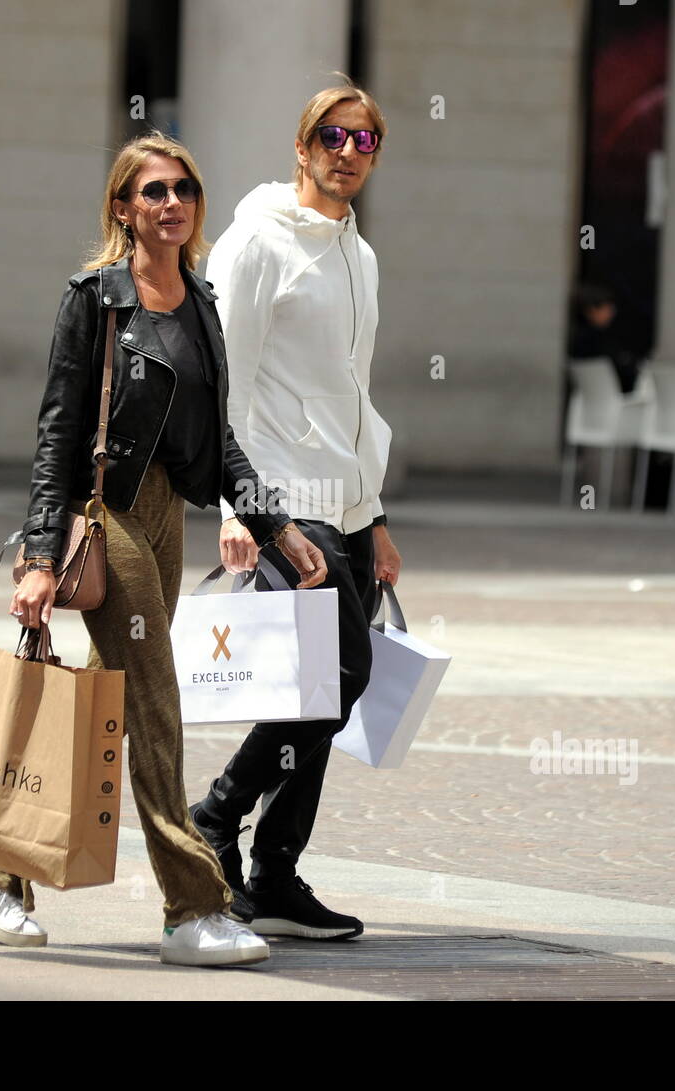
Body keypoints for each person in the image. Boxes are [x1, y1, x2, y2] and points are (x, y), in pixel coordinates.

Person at [0, 131, 329, 967]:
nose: (172, 203)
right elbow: (57, 430)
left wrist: (276, 525)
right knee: (155, 695)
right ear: (123, 207)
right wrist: (42, 554)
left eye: (184, 189)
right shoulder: (96, 298)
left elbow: (218, 436)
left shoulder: (201, 302)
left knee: (117, 696)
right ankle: (192, 905)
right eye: (153, 191)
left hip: (165, 515)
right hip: (104, 508)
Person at [187, 80, 400, 942]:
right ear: (302, 145)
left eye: (367, 141)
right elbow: (220, 379)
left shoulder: (362, 254)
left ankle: (275, 873)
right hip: (278, 497)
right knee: (342, 671)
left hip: (343, 502)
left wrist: (375, 512)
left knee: (324, 681)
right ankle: (216, 814)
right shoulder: (255, 242)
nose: (350, 153)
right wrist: (238, 505)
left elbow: (355, 391)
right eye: (335, 137)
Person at [567, 282, 641, 394]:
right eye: (607, 308)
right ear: (591, 310)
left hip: (586, 399)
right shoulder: (596, 340)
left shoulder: (574, 338)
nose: (612, 313)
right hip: (613, 397)